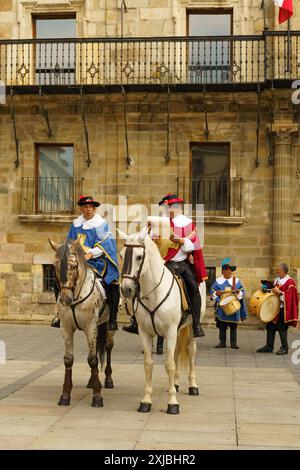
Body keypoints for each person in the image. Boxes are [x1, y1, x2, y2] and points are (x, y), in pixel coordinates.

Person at [123, 193, 207, 337]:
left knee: (192, 287)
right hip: (158, 262)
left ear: (179, 207)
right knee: (138, 283)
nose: (169, 210)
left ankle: (196, 324)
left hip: (179, 263)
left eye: (172, 207)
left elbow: (192, 246)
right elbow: (146, 242)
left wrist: (179, 240)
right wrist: (146, 232)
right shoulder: (158, 223)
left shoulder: (186, 223)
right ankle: (135, 321)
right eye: (167, 208)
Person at [51, 195, 119, 331]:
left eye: (91, 207)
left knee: (112, 283)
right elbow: (68, 243)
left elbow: (107, 245)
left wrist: (90, 254)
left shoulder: (101, 224)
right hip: (77, 262)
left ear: (94, 208)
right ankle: (60, 314)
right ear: (81, 209)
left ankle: (112, 319)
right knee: (58, 279)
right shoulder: (76, 225)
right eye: (85, 207)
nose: (88, 210)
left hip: (96, 262)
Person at [256, 263, 298, 355]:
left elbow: (291, 297)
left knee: (282, 328)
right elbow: (273, 291)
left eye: (278, 269)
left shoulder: (290, 282)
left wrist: (280, 293)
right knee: (270, 326)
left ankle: (285, 347)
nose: (276, 271)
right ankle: (269, 346)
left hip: (283, 309)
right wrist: (266, 289)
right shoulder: (277, 280)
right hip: (274, 307)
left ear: (283, 271)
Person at [210, 258, 247, 349]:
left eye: (230, 271)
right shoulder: (218, 281)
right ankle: (222, 342)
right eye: (227, 271)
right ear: (223, 272)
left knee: (233, 326)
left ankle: (233, 343)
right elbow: (212, 292)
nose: (229, 273)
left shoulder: (236, 281)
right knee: (222, 326)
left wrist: (238, 292)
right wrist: (216, 294)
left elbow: (242, 292)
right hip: (222, 308)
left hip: (234, 307)